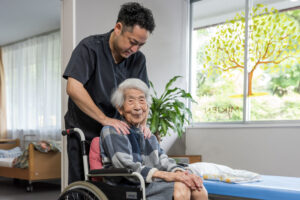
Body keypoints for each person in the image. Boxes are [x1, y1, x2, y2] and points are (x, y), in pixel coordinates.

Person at [63, 2, 155, 183]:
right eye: (132, 42)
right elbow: (73, 87)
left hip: (116, 135)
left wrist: (143, 123)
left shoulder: (138, 60)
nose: (134, 49)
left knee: (118, 185)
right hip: (85, 132)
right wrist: (104, 119)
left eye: (141, 45)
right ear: (118, 27)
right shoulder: (90, 48)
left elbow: (142, 96)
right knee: (83, 184)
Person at [100, 78, 208, 200]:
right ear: (120, 108)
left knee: (198, 188)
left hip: (148, 183)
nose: (137, 107)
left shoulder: (148, 135)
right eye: (131, 101)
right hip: (127, 186)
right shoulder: (113, 130)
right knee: (181, 187)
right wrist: (167, 176)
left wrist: (181, 173)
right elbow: (126, 166)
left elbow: (163, 160)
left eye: (142, 100)